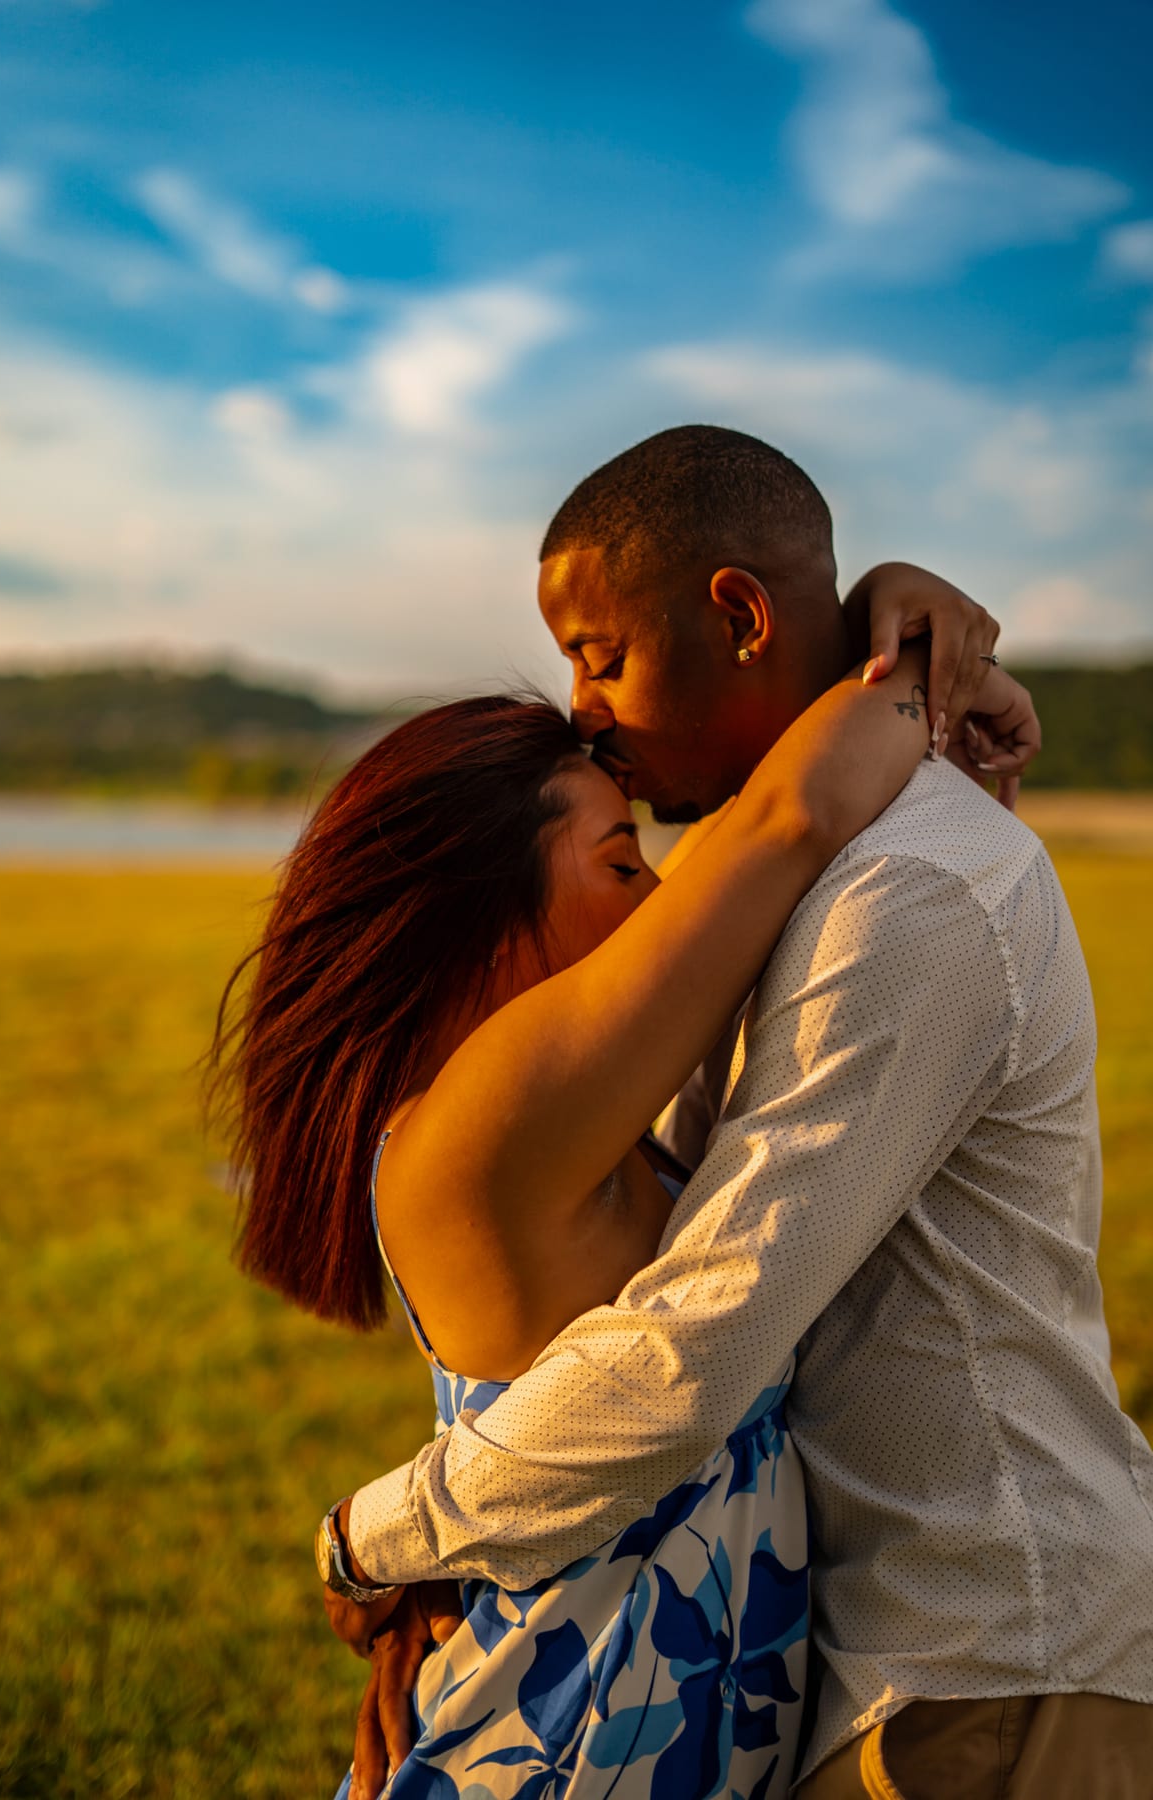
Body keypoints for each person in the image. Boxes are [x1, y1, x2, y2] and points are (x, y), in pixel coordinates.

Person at [333, 427, 1153, 1799]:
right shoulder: (799, 875)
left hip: (988, 1664)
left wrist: (389, 1532)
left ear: (738, 614)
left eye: (599, 652)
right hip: (885, 1663)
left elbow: (697, 1342)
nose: (583, 705)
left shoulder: (910, 893)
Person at [216, 567, 1018, 1799]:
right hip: (557, 1742)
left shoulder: (585, 1132)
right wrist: (910, 650)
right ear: (485, 917)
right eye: (618, 859)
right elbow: (780, 823)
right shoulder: (475, 1127)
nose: (661, 891)